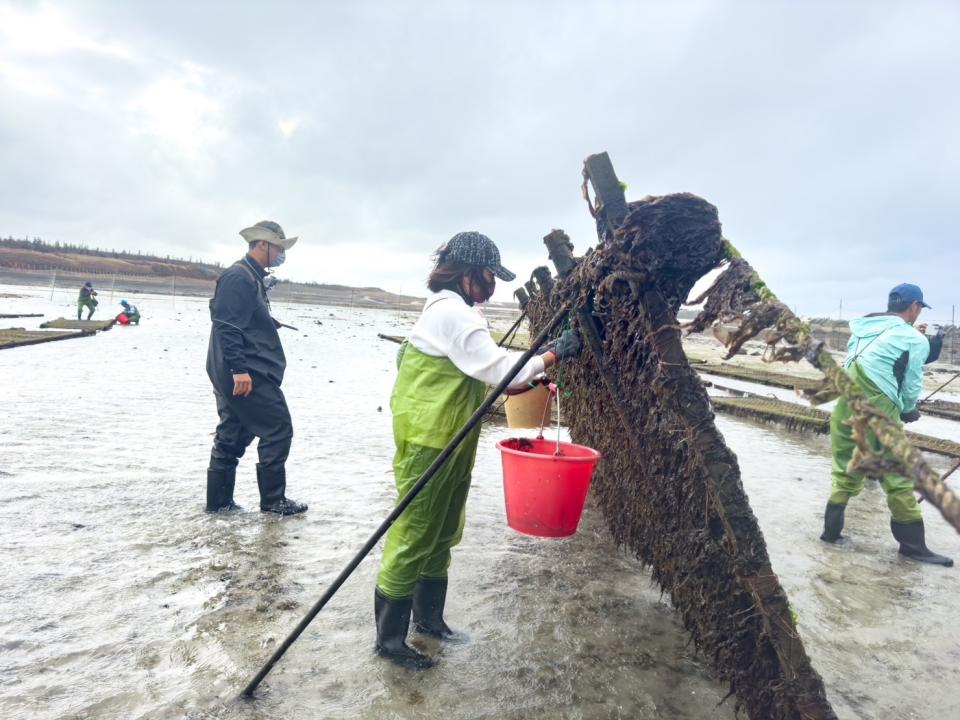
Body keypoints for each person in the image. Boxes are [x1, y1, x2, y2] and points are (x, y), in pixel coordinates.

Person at [374, 231, 582, 670]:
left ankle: (430, 621)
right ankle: (390, 641)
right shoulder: (453, 314)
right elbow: (502, 371)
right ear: (468, 274)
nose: (493, 285)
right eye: (489, 275)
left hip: (448, 436)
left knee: (443, 529)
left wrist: (532, 369)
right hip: (432, 440)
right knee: (414, 534)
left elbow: (485, 366)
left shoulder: (451, 311)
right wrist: (552, 354)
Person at [820, 283, 952, 566]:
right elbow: (911, 381)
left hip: (845, 403)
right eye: (919, 308)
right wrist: (907, 410)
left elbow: (887, 358)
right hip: (878, 409)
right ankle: (913, 548)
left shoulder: (864, 329)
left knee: (846, 468)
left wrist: (925, 346)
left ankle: (830, 534)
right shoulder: (914, 339)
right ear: (914, 307)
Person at [205, 220, 307, 516]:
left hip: (237, 370)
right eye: (280, 247)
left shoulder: (250, 276)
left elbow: (239, 319)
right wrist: (239, 370)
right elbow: (225, 324)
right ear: (263, 244)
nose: (282, 254)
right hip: (245, 372)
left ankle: (219, 504)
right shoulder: (239, 277)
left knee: (233, 434)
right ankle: (274, 501)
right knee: (278, 429)